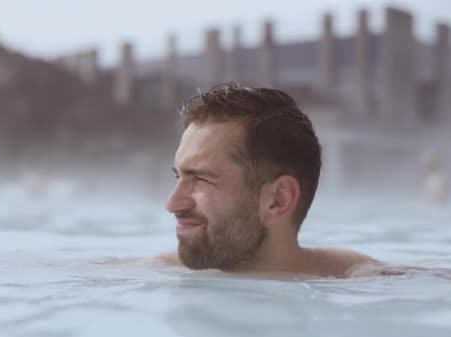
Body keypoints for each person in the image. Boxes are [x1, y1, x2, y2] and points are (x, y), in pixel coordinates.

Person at [156, 83, 382, 278]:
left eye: (201, 179)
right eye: (179, 176)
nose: (172, 204)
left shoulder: (367, 281)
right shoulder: (156, 271)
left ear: (277, 200)